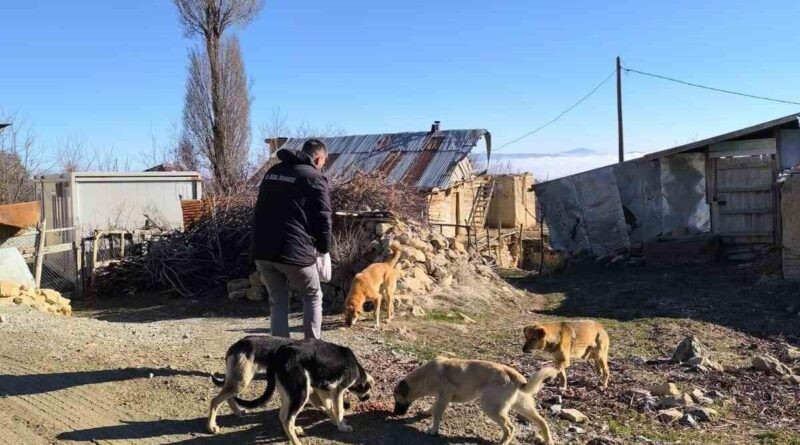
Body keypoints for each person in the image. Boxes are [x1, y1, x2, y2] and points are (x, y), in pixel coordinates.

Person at [251, 139, 331, 339]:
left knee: (278, 301)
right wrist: (323, 249)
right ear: (318, 158)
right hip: (293, 251)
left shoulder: (273, 172)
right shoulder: (313, 177)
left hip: (262, 249)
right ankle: (311, 351)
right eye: (324, 162)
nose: (323, 166)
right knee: (313, 295)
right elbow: (323, 218)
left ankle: (280, 355)